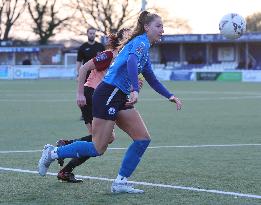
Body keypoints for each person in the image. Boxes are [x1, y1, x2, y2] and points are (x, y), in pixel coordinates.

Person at [38, 11, 182, 194]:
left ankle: (120, 183)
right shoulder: (141, 42)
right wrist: (135, 90)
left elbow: (151, 78)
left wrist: (169, 95)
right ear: (147, 27)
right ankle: (52, 153)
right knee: (98, 147)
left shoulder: (144, 47)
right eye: (158, 26)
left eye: (162, 26)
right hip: (109, 93)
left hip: (117, 96)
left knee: (142, 139)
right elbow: (131, 62)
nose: (162, 30)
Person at [56, 28, 132, 183]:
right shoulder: (110, 55)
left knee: (104, 139)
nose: (133, 38)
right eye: (129, 36)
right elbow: (83, 68)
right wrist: (79, 93)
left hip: (101, 98)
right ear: (121, 40)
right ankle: (63, 155)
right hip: (91, 95)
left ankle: (66, 151)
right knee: (100, 141)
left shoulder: (125, 58)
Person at [76, 27, 105, 121]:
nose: (92, 35)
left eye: (93, 33)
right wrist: (78, 75)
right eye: (90, 33)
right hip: (86, 76)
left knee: (98, 94)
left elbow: (106, 60)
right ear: (87, 34)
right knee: (84, 95)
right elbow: (79, 62)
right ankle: (84, 113)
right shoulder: (83, 47)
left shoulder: (100, 46)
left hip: (98, 75)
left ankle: (98, 112)